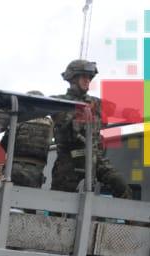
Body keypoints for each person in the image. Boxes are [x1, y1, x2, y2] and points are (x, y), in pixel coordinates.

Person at [52, 59, 131, 198]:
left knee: (121, 185)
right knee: (59, 203)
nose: (87, 80)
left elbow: (121, 111)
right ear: (73, 78)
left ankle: (133, 219)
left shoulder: (96, 103)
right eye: (83, 76)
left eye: (89, 77)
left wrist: (133, 114)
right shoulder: (59, 102)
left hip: (95, 158)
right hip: (69, 160)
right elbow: (44, 111)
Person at [4, 91, 53, 189]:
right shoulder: (49, 123)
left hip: (14, 168)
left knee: (9, 199)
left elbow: (4, 143)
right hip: (36, 171)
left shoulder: (18, 119)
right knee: (28, 200)